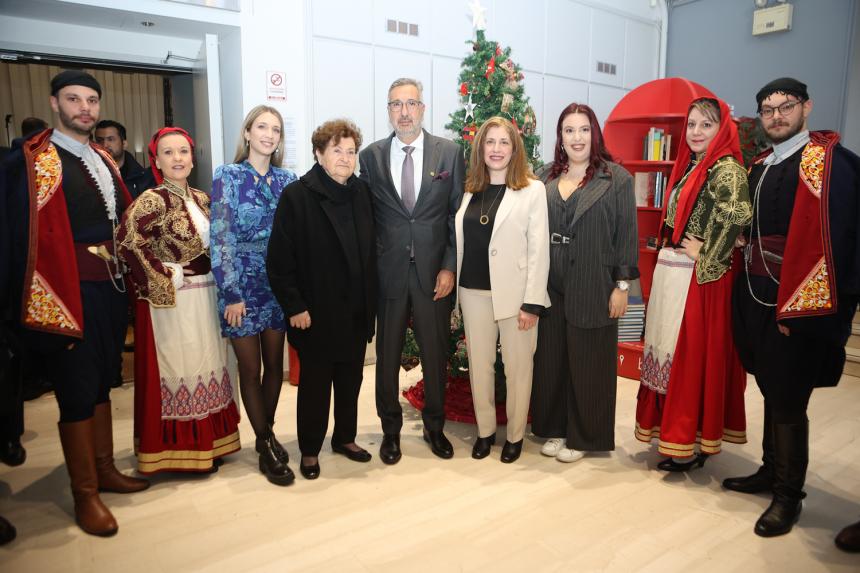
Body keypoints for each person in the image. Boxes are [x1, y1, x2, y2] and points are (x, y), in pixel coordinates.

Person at [0, 70, 149, 537]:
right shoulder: (33, 159)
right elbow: (21, 235)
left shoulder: (102, 156)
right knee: (76, 388)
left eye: (91, 100)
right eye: (73, 99)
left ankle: (104, 470)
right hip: (67, 292)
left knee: (103, 379)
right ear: (54, 103)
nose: (84, 108)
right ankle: (85, 494)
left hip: (110, 290)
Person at [725, 78, 860, 541]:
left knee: (788, 398)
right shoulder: (759, 166)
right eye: (768, 110)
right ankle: (770, 471)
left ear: (807, 107)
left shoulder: (830, 163)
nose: (777, 116)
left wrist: (807, 311)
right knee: (768, 385)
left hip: (797, 302)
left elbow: (839, 240)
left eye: (786, 106)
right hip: (755, 293)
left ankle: (788, 496)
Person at [116, 127, 241, 476]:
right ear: (156, 161)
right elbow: (127, 241)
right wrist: (164, 272)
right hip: (175, 302)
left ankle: (212, 441)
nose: (177, 159)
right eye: (168, 153)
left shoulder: (203, 199)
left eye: (183, 152)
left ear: (192, 158)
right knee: (181, 369)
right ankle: (182, 448)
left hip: (207, 295)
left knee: (210, 364)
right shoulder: (152, 200)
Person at [635, 97, 752, 471]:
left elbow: (737, 213)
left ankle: (689, 439)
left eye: (707, 124)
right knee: (668, 350)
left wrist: (707, 250)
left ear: (722, 129)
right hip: (676, 273)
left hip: (701, 280)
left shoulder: (727, 169)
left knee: (690, 355)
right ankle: (674, 433)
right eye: (692, 124)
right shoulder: (694, 165)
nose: (697, 132)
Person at [358, 78, 464, 463]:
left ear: (422, 108)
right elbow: (366, 218)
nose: (404, 112)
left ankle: (435, 427)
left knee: (435, 354)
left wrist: (449, 267)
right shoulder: (370, 157)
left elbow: (455, 216)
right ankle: (390, 431)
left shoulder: (449, 153)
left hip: (434, 275)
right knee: (386, 356)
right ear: (388, 110)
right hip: (388, 273)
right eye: (396, 105)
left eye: (411, 104)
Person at [267, 119, 376, 480]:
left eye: (351, 151)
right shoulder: (298, 196)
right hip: (315, 312)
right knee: (315, 386)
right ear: (318, 153)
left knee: (350, 381)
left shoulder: (361, 192)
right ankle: (310, 449)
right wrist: (295, 306)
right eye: (336, 150)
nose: (345, 158)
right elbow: (279, 261)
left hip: (355, 310)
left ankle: (345, 438)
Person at [530, 103, 638, 463]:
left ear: (595, 134)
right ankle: (556, 428)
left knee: (589, 363)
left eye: (584, 130)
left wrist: (622, 287)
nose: (577, 138)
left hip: (594, 282)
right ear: (560, 137)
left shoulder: (616, 179)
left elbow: (626, 235)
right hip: (549, 284)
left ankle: (584, 437)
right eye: (569, 130)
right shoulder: (543, 177)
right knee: (552, 361)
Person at [454, 116, 549, 463]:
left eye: (503, 142)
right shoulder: (470, 189)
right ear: (480, 147)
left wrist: (532, 303)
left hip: (517, 297)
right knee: (480, 368)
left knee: (518, 369)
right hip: (472, 292)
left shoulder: (532, 190)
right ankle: (484, 432)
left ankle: (515, 436)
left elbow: (539, 250)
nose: (496, 149)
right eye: (489, 142)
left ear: (515, 149)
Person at [211, 105, 297, 486]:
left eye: (275, 129)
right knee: (250, 369)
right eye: (261, 127)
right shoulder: (228, 176)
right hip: (240, 287)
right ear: (247, 133)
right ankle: (265, 445)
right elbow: (221, 236)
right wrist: (231, 292)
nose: (268, 134)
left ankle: (267, 435)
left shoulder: (287, 179)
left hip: (277, 283)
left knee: (274, 365)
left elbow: (295, 236)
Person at [95, 120, 155, 199]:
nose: (104, 145)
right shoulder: (90, 174)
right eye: (99, 140)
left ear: (124, 144)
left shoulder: (145, 179)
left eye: (110, 139)